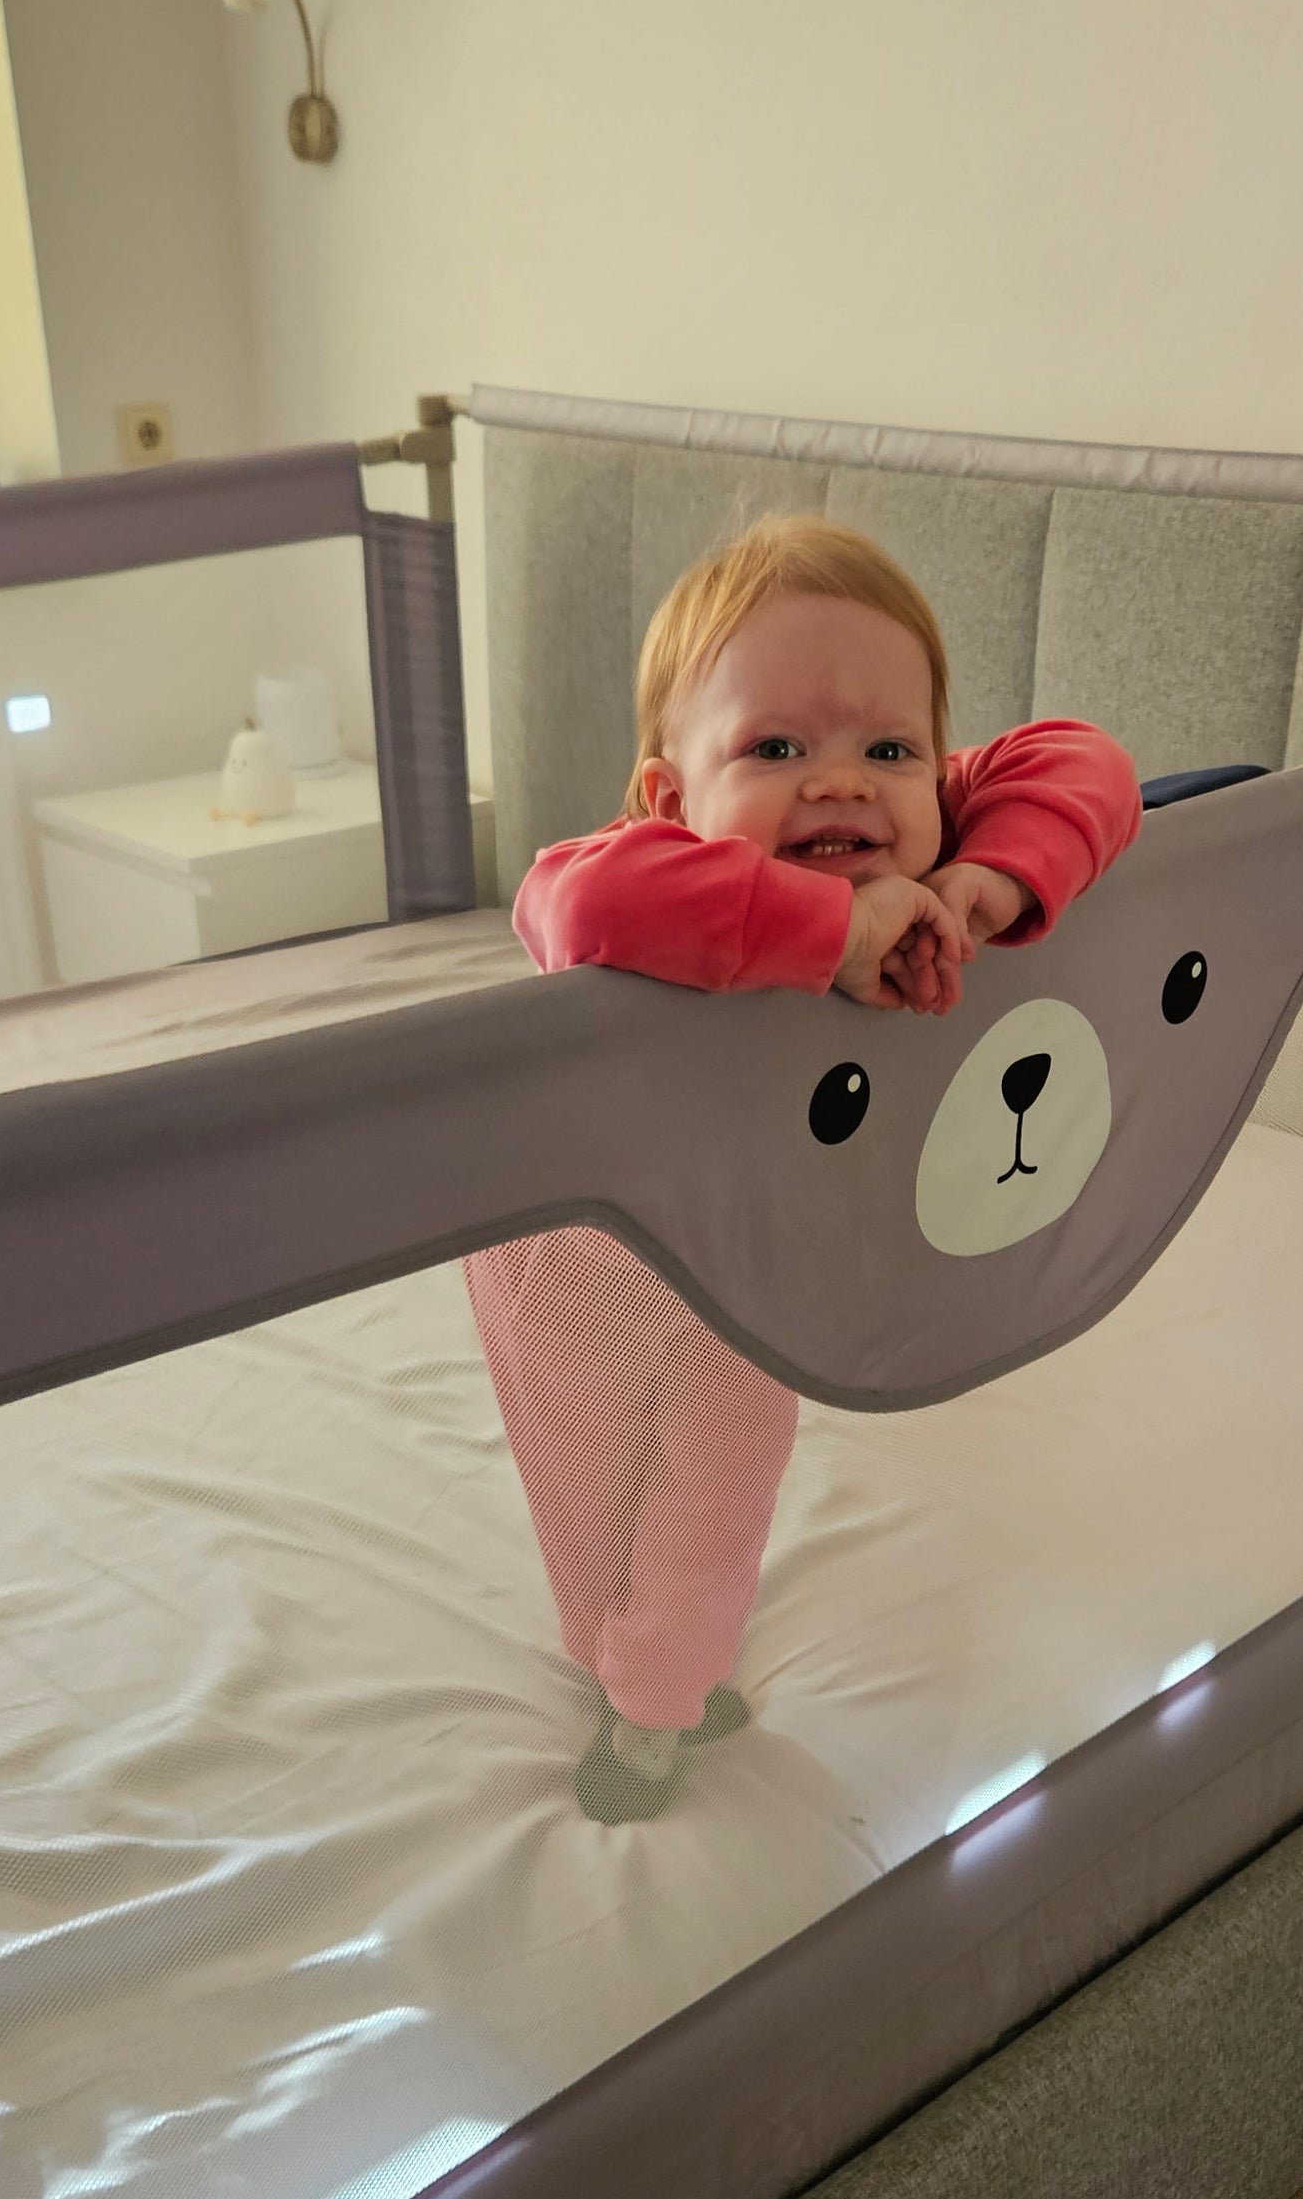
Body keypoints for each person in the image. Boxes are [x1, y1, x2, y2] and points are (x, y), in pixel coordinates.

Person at [466, 513, 1139, 1821]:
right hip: (572, 1267)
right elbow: (579, 907)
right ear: (670, 797)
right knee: (585, 1499)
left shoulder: (934, 857)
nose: (838, 782)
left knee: (716, 1499)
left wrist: (992, 880)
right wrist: (832, 925)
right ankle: (608, 1648)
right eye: (773, 749)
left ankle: (655, 1705)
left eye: (885, 749)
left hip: (752, 1279)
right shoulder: (624, 873)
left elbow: (1084, 758)